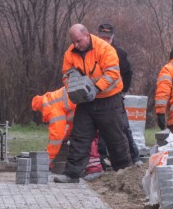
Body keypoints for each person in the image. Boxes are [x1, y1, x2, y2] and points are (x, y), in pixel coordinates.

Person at [53, 23, 132, 184]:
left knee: (115, 136)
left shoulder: (104, 49)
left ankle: (124, 172)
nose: (76, 45)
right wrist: (73, 91)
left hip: (108, 99)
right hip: (85, 101)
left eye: (79, 41)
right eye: (73, 42)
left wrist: (96, 89)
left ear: (87, 35)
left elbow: (113, 74)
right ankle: (72, 173)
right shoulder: (70, 53)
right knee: (79, 136)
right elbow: (66, 76)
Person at [31, 87, 103, 181]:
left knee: (87, 137)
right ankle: (94, 166)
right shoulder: (54, 99)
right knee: (87, 137)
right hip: (92, 101)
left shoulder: (51, 108)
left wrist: (48, 159)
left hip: (90, 105)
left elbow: (56, 137)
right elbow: (71, 126)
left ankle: (95, 169)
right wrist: (66, 138)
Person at [97, 23, 143, 167]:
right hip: (97, 96)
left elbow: (128, 73)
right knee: (98, 128)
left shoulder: (119, 53)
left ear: (112, 38)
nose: (105, 41)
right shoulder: (92, 51)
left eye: (108, 38)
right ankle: (101, 158)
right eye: (102, 38)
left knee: (123, 126)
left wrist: (123, 91)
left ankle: (134, 158)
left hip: (114, 97)